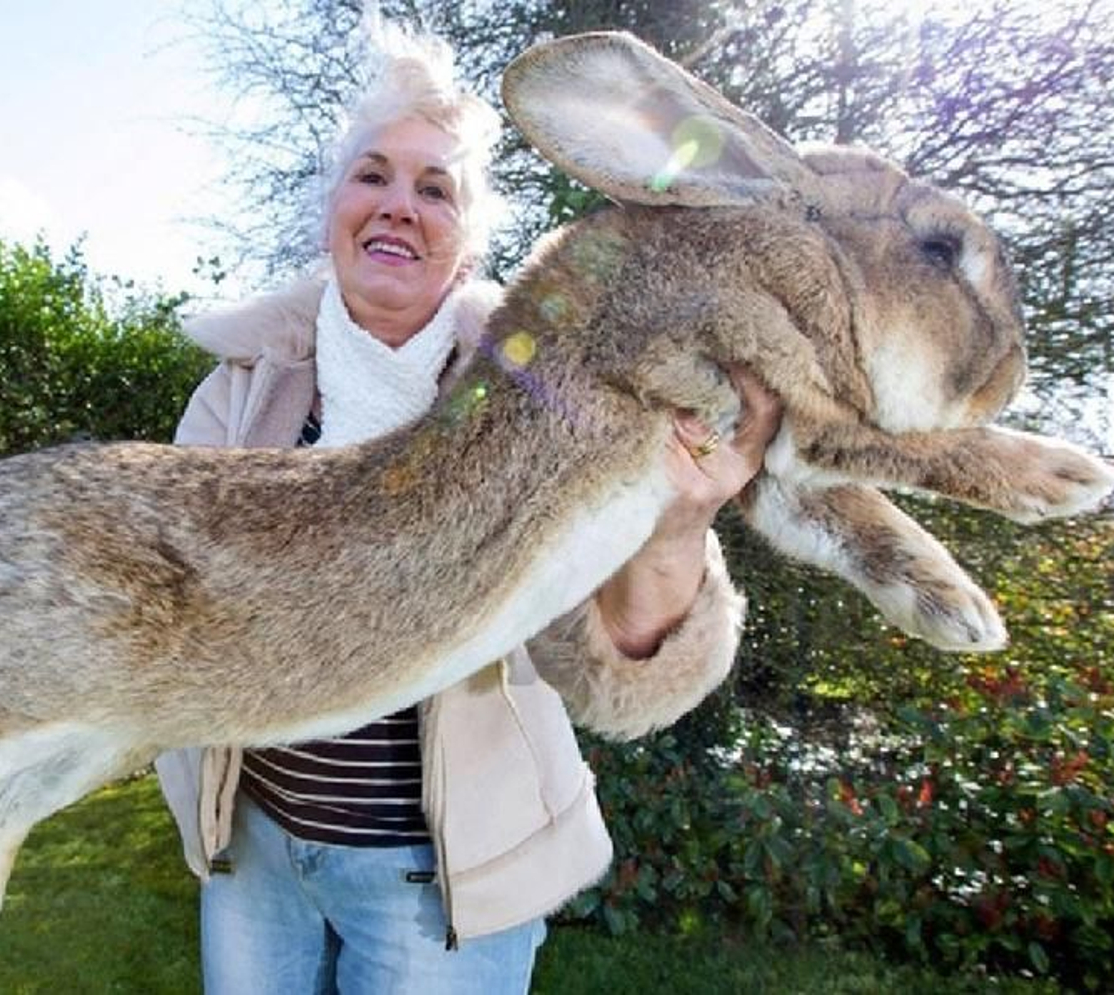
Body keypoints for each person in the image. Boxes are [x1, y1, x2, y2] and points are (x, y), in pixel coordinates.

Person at [155, 20, 782, 994]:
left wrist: (676, 522)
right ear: (332, 210)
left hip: (440, 889)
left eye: (434, 188)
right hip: (257, 860)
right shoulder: (240, 392)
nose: (397, 205)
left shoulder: (555, 398)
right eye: (372, 175)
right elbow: (171, 602)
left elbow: (622, 661)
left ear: (469, 242)